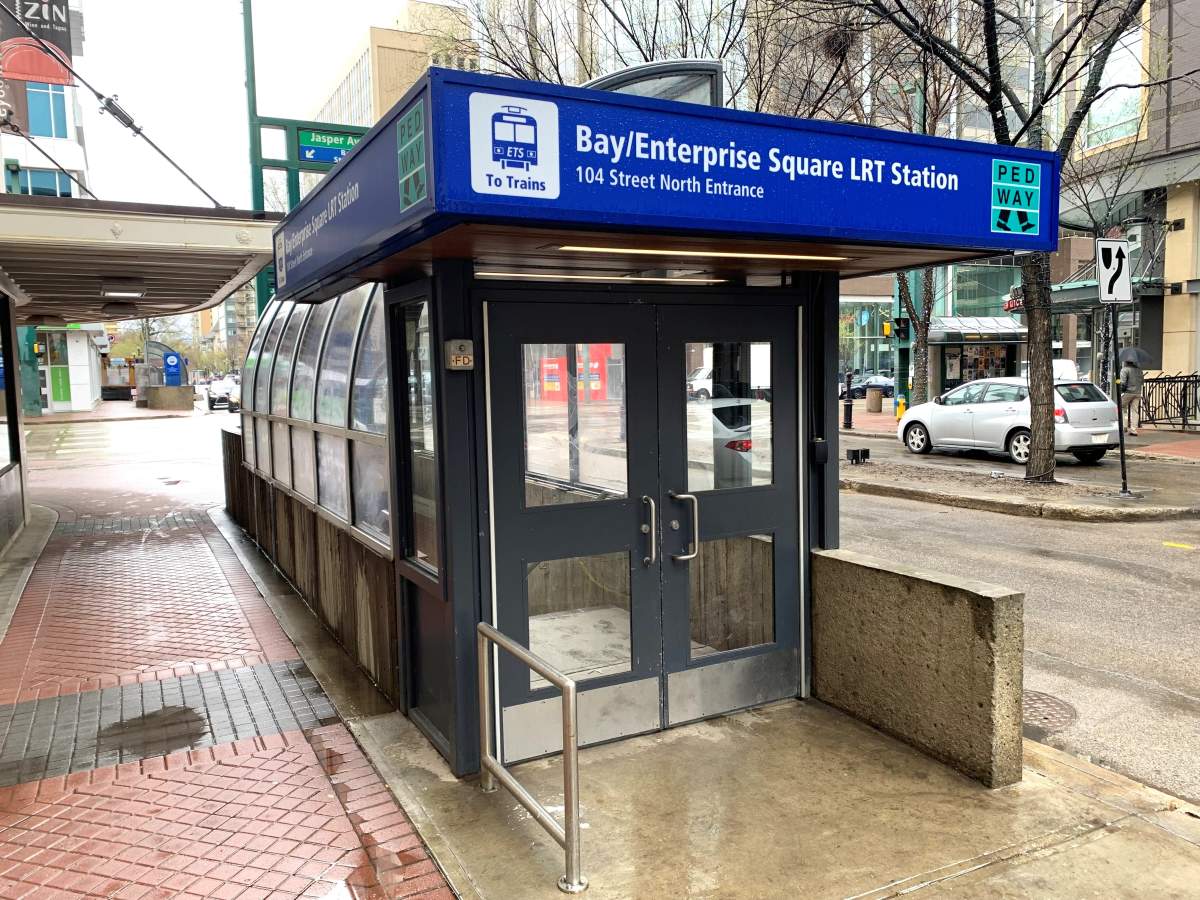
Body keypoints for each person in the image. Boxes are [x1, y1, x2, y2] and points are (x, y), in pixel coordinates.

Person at [1119, 357, 1143, 436]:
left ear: (1126, 362)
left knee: (1122, 408)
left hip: (1128, 392)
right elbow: (1142, 381)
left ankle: (1124, 426)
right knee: (1135, 411)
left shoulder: (1124, 370)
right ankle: (1134, 429)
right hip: (1138, 392)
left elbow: (1122, 382)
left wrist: (1121, 390)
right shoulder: (1139, 370)